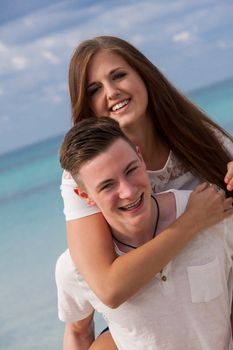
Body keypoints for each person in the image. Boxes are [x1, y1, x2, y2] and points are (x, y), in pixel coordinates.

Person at [59, 36, 233, 347]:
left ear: (143, 74)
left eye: (118, 75)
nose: (111, 92)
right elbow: (108, 288)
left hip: (213, 291)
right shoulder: (80, 179)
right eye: (95, 89)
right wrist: (192, 221)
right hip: (142, 307)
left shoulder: (199, 137)